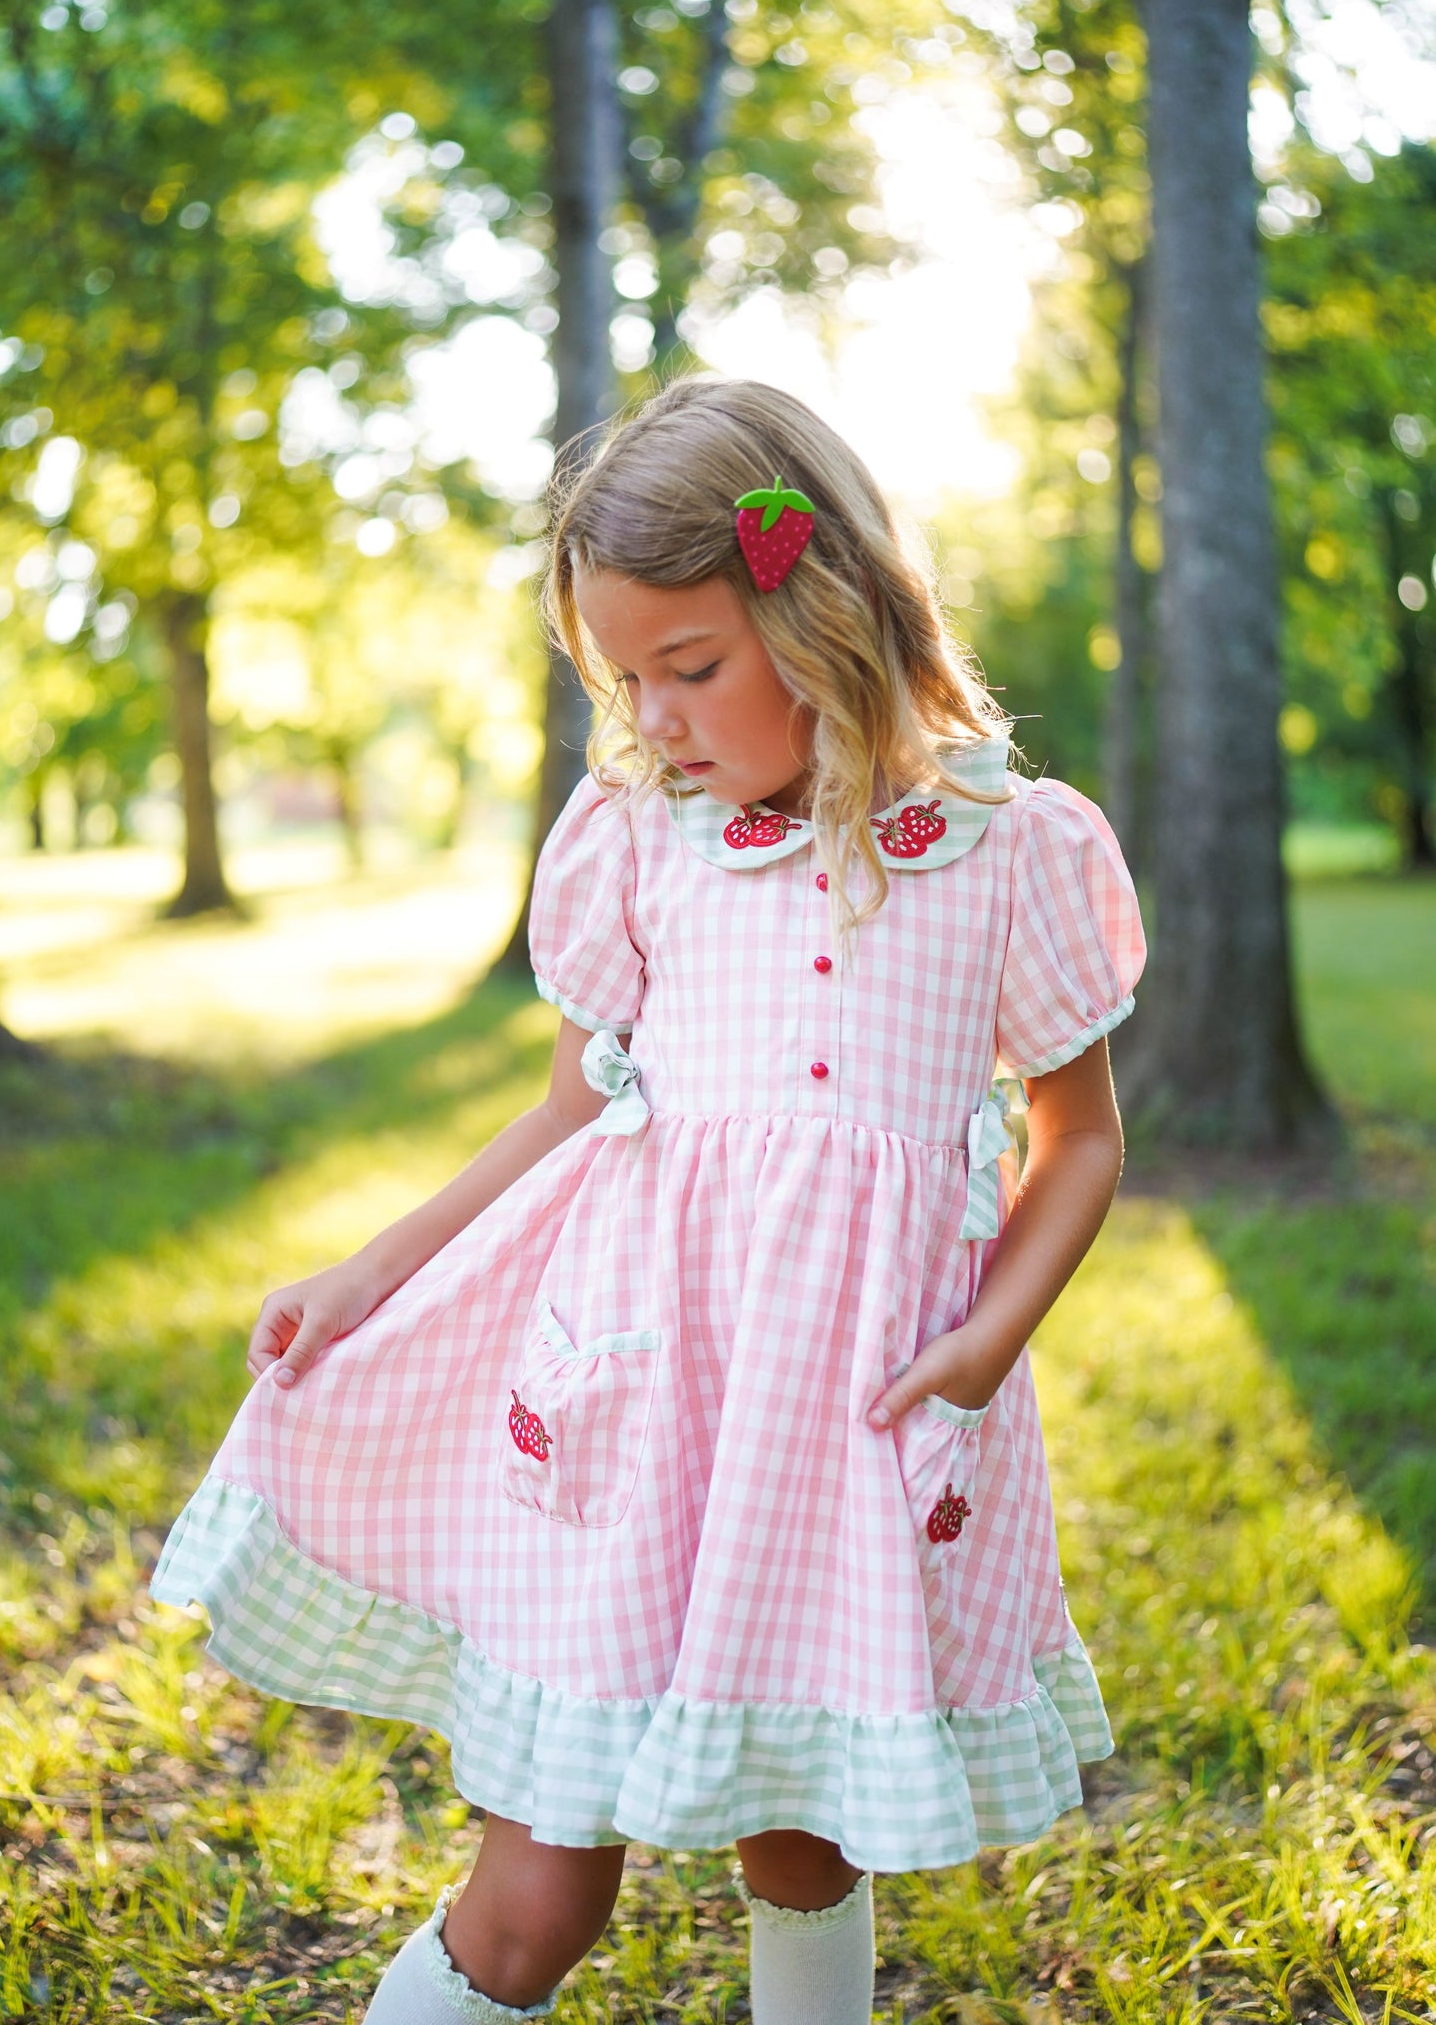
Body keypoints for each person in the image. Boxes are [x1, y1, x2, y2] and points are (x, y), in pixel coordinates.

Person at [150, 376, 1146, 2024]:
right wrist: (370, 1272)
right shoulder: (638, 839)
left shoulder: (1007, 848)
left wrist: (983, 1341)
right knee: (542, 1878)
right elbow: (565, 1111)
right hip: (637, 1407)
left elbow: (1079, 1136)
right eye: (628, 679)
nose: (660, 716)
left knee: (801, 1840)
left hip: (848, 1423)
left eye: (692, 668)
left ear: (820, 611)